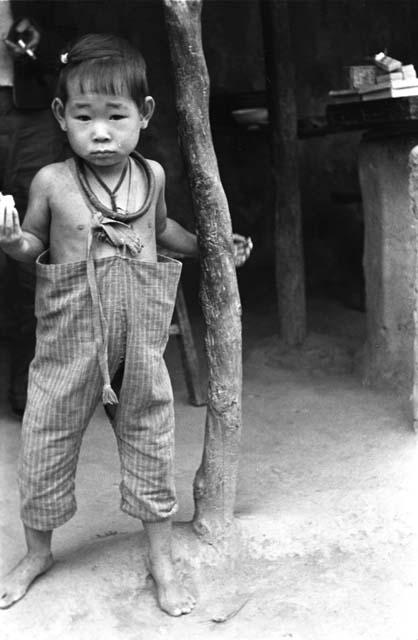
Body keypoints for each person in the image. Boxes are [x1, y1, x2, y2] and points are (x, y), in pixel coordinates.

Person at [0, 34, 252, 616]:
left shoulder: (153, 178)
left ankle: (161, 557)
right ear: (62, 117)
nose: (102, 132)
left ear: (145, 114)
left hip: (139, 345)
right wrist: (15, 241)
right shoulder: (52, 183)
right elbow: (35, 243)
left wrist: (211, 248)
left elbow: (162, 232)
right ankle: (38, 552)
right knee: (43, 443)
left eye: (116, 116)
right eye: (85, 118)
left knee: (151, 441)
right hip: (68, 346)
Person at [2, 12, 69, 415]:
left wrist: (41, 42)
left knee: (31, 236)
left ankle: (28, 381)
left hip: (29, 105)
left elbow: (70, 27)